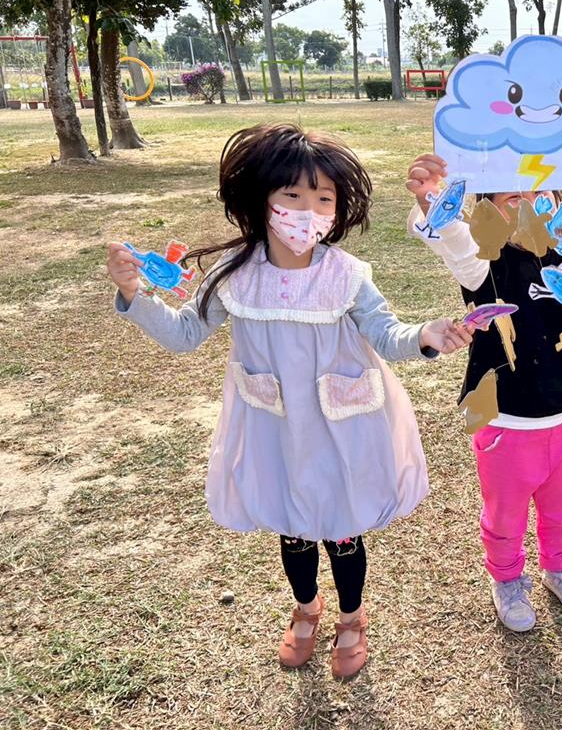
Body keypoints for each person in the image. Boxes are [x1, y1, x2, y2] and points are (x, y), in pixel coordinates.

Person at [106, 123, 472, 677]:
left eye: (323, 198)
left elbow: (385, 334)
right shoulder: (234, 275)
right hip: (272, 426)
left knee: (341, 528)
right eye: (293, 195)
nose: (308, 211)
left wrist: (426, 335)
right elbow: (185, 334)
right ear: (262, 199)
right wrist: (133, 294)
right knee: (294, 527)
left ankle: (351, 617)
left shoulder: (347, 275)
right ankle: (306, 608)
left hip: (341, 426)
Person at [405, 147, 562, 631]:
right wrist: (431, 199)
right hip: (507, 421)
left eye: (541, 196)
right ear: (486, 213)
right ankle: (507, 578)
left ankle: (561, 568)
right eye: (512, 199)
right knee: (505, 515)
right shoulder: (483, 263)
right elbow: (454, 241)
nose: (529, 209)